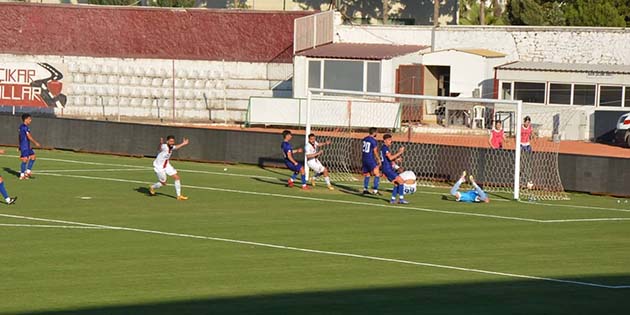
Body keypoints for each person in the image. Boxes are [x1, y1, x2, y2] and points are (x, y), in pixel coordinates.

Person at [149, 136, 189, 200]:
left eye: (173, 141)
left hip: (167, 165)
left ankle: (179, 196)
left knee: (177, 177)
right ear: (167, 141)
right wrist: (160, 143)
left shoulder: (171, 147)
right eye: (170, 141)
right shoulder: (164, 146)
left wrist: (183, 143)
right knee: (163, 183)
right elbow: (160, 148)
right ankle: (152, 187)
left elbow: (176, 147)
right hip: (159, 167)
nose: (172, 142)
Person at [380, 134, 408, 204]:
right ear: (384, 141)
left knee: (396, 183)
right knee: (401, 181)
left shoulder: (384, 148)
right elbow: (390, 158)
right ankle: (401, 199)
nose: (391, 141)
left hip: (387, 168)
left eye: (391, 140)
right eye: (389, 140)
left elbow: (388, 159)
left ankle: (392, 199)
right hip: (387, 169)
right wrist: (400, 152)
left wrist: (396, 160)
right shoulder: (385, 148)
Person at [18, 114, 41, 180]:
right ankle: (22, 175)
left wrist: (19, 145)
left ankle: (27, 172)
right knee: (25, 160)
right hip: (24, 146)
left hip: (27, 146)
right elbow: (29, 136)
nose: (30, 120)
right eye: (29, 119)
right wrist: (35, 142)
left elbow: (20, 136)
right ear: (25, 119)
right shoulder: (25, 127)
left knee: (33, 157)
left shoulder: (22, 127)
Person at [361, 127, 381, 195]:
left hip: (364, 158)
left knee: (367, 174)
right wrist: (378, 159)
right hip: (370, 158)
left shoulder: (365, 139)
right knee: (377, 173)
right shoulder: (373, 140)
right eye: (377, 132)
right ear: (375, 132)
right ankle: (375, 190)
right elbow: (375, 151)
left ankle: (365, 189)